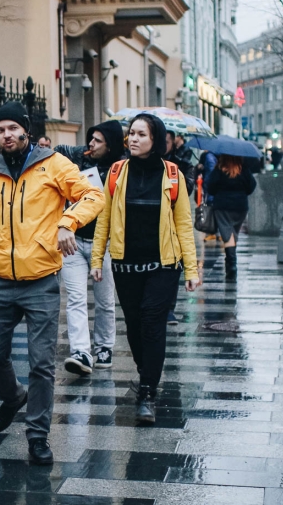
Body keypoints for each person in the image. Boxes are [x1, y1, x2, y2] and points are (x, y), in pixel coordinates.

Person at [0, 101, 104, 465]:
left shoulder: (53, 164)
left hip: (41, 281)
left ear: (25, 130)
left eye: (13, 128)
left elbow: (94, 195)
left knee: (41, 363)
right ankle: (14, 397)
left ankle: (37, 435)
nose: (7, 135)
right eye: (0, 130)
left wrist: (68, 222)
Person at [90, 113, 199, 425]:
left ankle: (147, 392)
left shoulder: (173, 175)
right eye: (131, 134)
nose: (133, 139)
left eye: (141, 135)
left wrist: (190, 269)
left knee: (153, 323)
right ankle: (145, 372)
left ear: (155, 141)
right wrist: (97, 260)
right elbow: (104, 219)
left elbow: (184, 225)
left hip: (163, 266)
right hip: (126, 266)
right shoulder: (116, 172)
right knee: (135, 328)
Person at [53, 121, 124, 374]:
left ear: (112, 145)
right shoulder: (81, 159)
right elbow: (60, 149)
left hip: (103, 245)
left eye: (98, 141)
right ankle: (81, 352)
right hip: (72, 240)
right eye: (90, 139)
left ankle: (104, 346)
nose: (91, 144)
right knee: (75, 298)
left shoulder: (121, 168)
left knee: (104, 299)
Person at [164, 130, 197, 325]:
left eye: (166, 141)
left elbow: (188, 189)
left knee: (172, 267)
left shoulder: (182, 164)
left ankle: (169, 309)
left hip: (173, 224)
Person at [206, 155, 257, 281]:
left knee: (228, 235)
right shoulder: (243, 169)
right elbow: (251, 186)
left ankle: (231, 264)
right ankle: (231, 261)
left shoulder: (219, 169)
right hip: (240, 207)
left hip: (223, 206)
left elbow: (210, 188)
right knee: (233, 234)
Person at [196, 150, 219, 242]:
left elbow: (211, 172)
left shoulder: (209, 156)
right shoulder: (214, 155)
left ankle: (212, 232)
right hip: (214, 189)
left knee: (211, 208)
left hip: (210, 188)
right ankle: (216, 233)